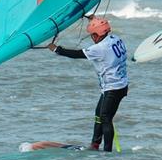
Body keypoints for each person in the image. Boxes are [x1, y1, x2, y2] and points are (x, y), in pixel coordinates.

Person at [48, 15, 128, 152]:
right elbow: (101, 28)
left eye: (92, 35)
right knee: (99, 114)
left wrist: (57, 49)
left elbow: (76, 54)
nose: (92, 38)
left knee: (105, 118)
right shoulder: (115, 38)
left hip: (113, 88)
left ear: (97, 35)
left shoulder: (100, 49)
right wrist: (93, 19)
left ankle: (107, 151)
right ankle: (95, 145)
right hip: (119, 85)